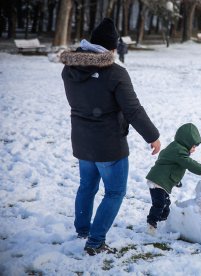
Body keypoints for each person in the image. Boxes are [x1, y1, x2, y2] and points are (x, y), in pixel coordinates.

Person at [61, 18, 161, 256]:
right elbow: (133, 110)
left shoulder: (70, 68)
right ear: (112, 48)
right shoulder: (115, 73)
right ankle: (95, 242)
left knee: (87, 186)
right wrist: (153, 136)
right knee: (115, 192)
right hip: (108, 145)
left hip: (83, 140)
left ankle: (83, 230)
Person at [145, 123, 201, 235]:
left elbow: (170, 165)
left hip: (160, 181)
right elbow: (189, 163)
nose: (194, 150)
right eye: (193, 146)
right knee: (160, 204)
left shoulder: (175, 147)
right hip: (158, 182)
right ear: (186, 142)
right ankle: (151, 224)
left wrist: (175, 180)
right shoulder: (179, 151)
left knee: (166, 204)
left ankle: (164, 222)